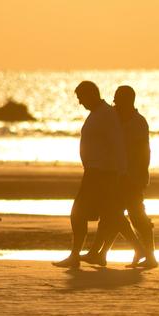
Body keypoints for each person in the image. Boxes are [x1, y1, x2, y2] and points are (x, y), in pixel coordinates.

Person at [56, 80, 126, 270]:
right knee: (104, 214)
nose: (80, 102)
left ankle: (78, 255)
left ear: (91, 95)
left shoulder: (107, 114)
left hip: (102, 173)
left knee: (80, 213)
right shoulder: (96, 114)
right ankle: (90, 254)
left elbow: (117, 144)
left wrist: (119, 173)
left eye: (81, 98)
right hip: (93, 172)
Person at [93, 85, 158, 269]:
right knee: (111, 216)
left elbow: (143, 152)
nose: (115, 104)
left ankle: (149, 256)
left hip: (132, 178)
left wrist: (138, 176)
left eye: (118, 101)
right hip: (115, 175)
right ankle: (102, 254)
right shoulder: (115, 119)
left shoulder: (138, 122)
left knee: (137, 217)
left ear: (128, 101)